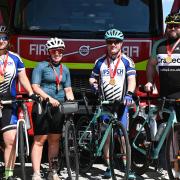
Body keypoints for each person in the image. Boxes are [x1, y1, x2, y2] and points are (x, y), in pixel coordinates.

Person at [89, 28, 136, 179]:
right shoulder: (100, 62)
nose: (113, 44)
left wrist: (129, 94)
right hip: (106, 104)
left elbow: (131, 80)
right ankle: (108, 167)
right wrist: (94, 86)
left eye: (116, 42)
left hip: (121, 104)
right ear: (106, 43)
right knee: (107, 136)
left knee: (123, 136)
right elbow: (92, 78)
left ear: (121, 44)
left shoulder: (127, 61)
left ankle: (127, 168)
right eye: (110, 42)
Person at [31, 37, 74, 180]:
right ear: (49, 52)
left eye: (60, 51)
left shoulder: (65, 69)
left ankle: (52, 171)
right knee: (40, 140)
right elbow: (35, 87)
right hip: (43, 106)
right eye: (54, 51)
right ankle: (36, 173)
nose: (57, 53)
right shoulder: (41, 66)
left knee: (55, 140)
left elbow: (68, 90)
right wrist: (48, 98)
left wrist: (72, 103)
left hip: (58, 107)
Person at [145, 12, 180, 179]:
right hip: (165, 96)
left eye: (176, 25)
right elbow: (151, 65)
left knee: (176, 134)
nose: (172, 28)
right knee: (165, 133)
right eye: (170, 25)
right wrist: (150, 82)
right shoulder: (158, 45)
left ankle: (174, 167)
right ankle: (163, 165)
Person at [0, 24, 38, 180]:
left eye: (4, 38)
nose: (1, 40)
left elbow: (23, 78)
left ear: (8, 41)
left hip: (9, 104)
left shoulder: (15, 58)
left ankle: (8, 174)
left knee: (10, 140)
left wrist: (31, 93)